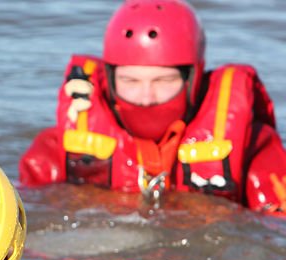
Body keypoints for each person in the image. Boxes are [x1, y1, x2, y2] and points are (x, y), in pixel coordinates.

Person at [20, 0, 286, 212]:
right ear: (109, 80)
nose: (146, 97)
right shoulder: (55, 150)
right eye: (130, 81)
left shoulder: (255, 146)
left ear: (193, 79)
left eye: (163, 80)